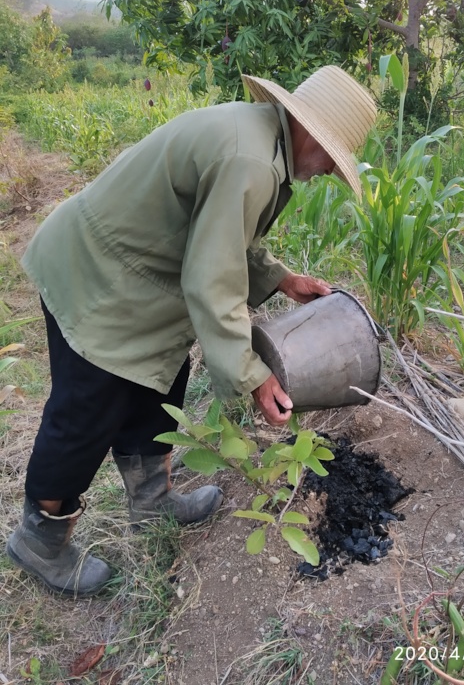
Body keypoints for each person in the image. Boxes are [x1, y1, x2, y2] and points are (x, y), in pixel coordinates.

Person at [6, 65, 377, 596]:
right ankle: (39, 541)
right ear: (313, 135)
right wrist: (253, 376)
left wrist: (280, 278)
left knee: (159, 383)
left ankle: (152, 501)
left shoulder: (259, 137)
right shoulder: (251, 159)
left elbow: (223, 239)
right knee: (85, 413)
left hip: (133, 277)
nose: (324, 174)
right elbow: (211, 278)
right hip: (99, 279)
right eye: (330, 163)